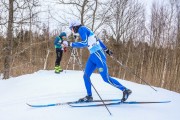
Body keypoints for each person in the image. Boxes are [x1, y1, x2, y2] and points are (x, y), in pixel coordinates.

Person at [67, 20, 132, 102]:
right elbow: (98, 40)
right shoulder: (85, 29)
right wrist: (107, 50)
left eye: (71, 29)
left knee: (106, 78)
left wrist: (70, 44)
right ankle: (89, 96)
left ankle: (125, 90)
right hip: (93, 56)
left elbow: (84, 43)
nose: (72, 31)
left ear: (75, 26)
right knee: (86, 76)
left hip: (98, 55)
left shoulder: (81, 29)